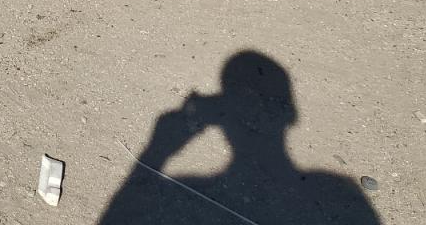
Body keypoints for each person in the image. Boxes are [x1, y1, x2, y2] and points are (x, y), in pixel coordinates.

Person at [98, 51, 381, 224]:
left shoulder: (176, 186)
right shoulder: (337, 189)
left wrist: (157, 150)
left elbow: (114, 216)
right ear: (291, 115)